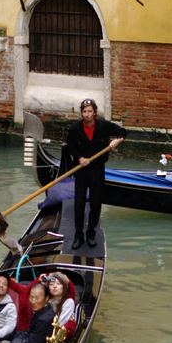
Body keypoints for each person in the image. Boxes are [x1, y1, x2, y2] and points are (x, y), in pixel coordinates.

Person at [65, 98, 126, 250]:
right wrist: (80, 158)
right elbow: (70, 146)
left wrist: (117, 140)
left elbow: (122, 131)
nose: (87, 114)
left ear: (95, 112)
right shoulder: (75, 128)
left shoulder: (104, 126)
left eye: (90, 111)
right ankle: (78, 236)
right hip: (81, 170)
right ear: (82, 113)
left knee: (95, 203)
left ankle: (90, 234)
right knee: (78, 204)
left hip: (97, 170)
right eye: (84, 112)